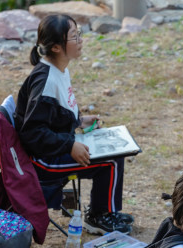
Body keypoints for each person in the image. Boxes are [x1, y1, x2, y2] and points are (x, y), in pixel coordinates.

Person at [15, 14, 134, 235]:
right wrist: (70, 144)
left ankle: (104, 210)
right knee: (110, 161)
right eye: (74, 36)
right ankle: (99, 216)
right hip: (43, 161)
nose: (80, 40)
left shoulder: (59, 69)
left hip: (54, 148)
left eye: (79, 34)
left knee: (116, 151)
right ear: (58, 47)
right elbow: (32, 133)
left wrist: (78, 121)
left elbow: (54, 115)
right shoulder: (46, 81)